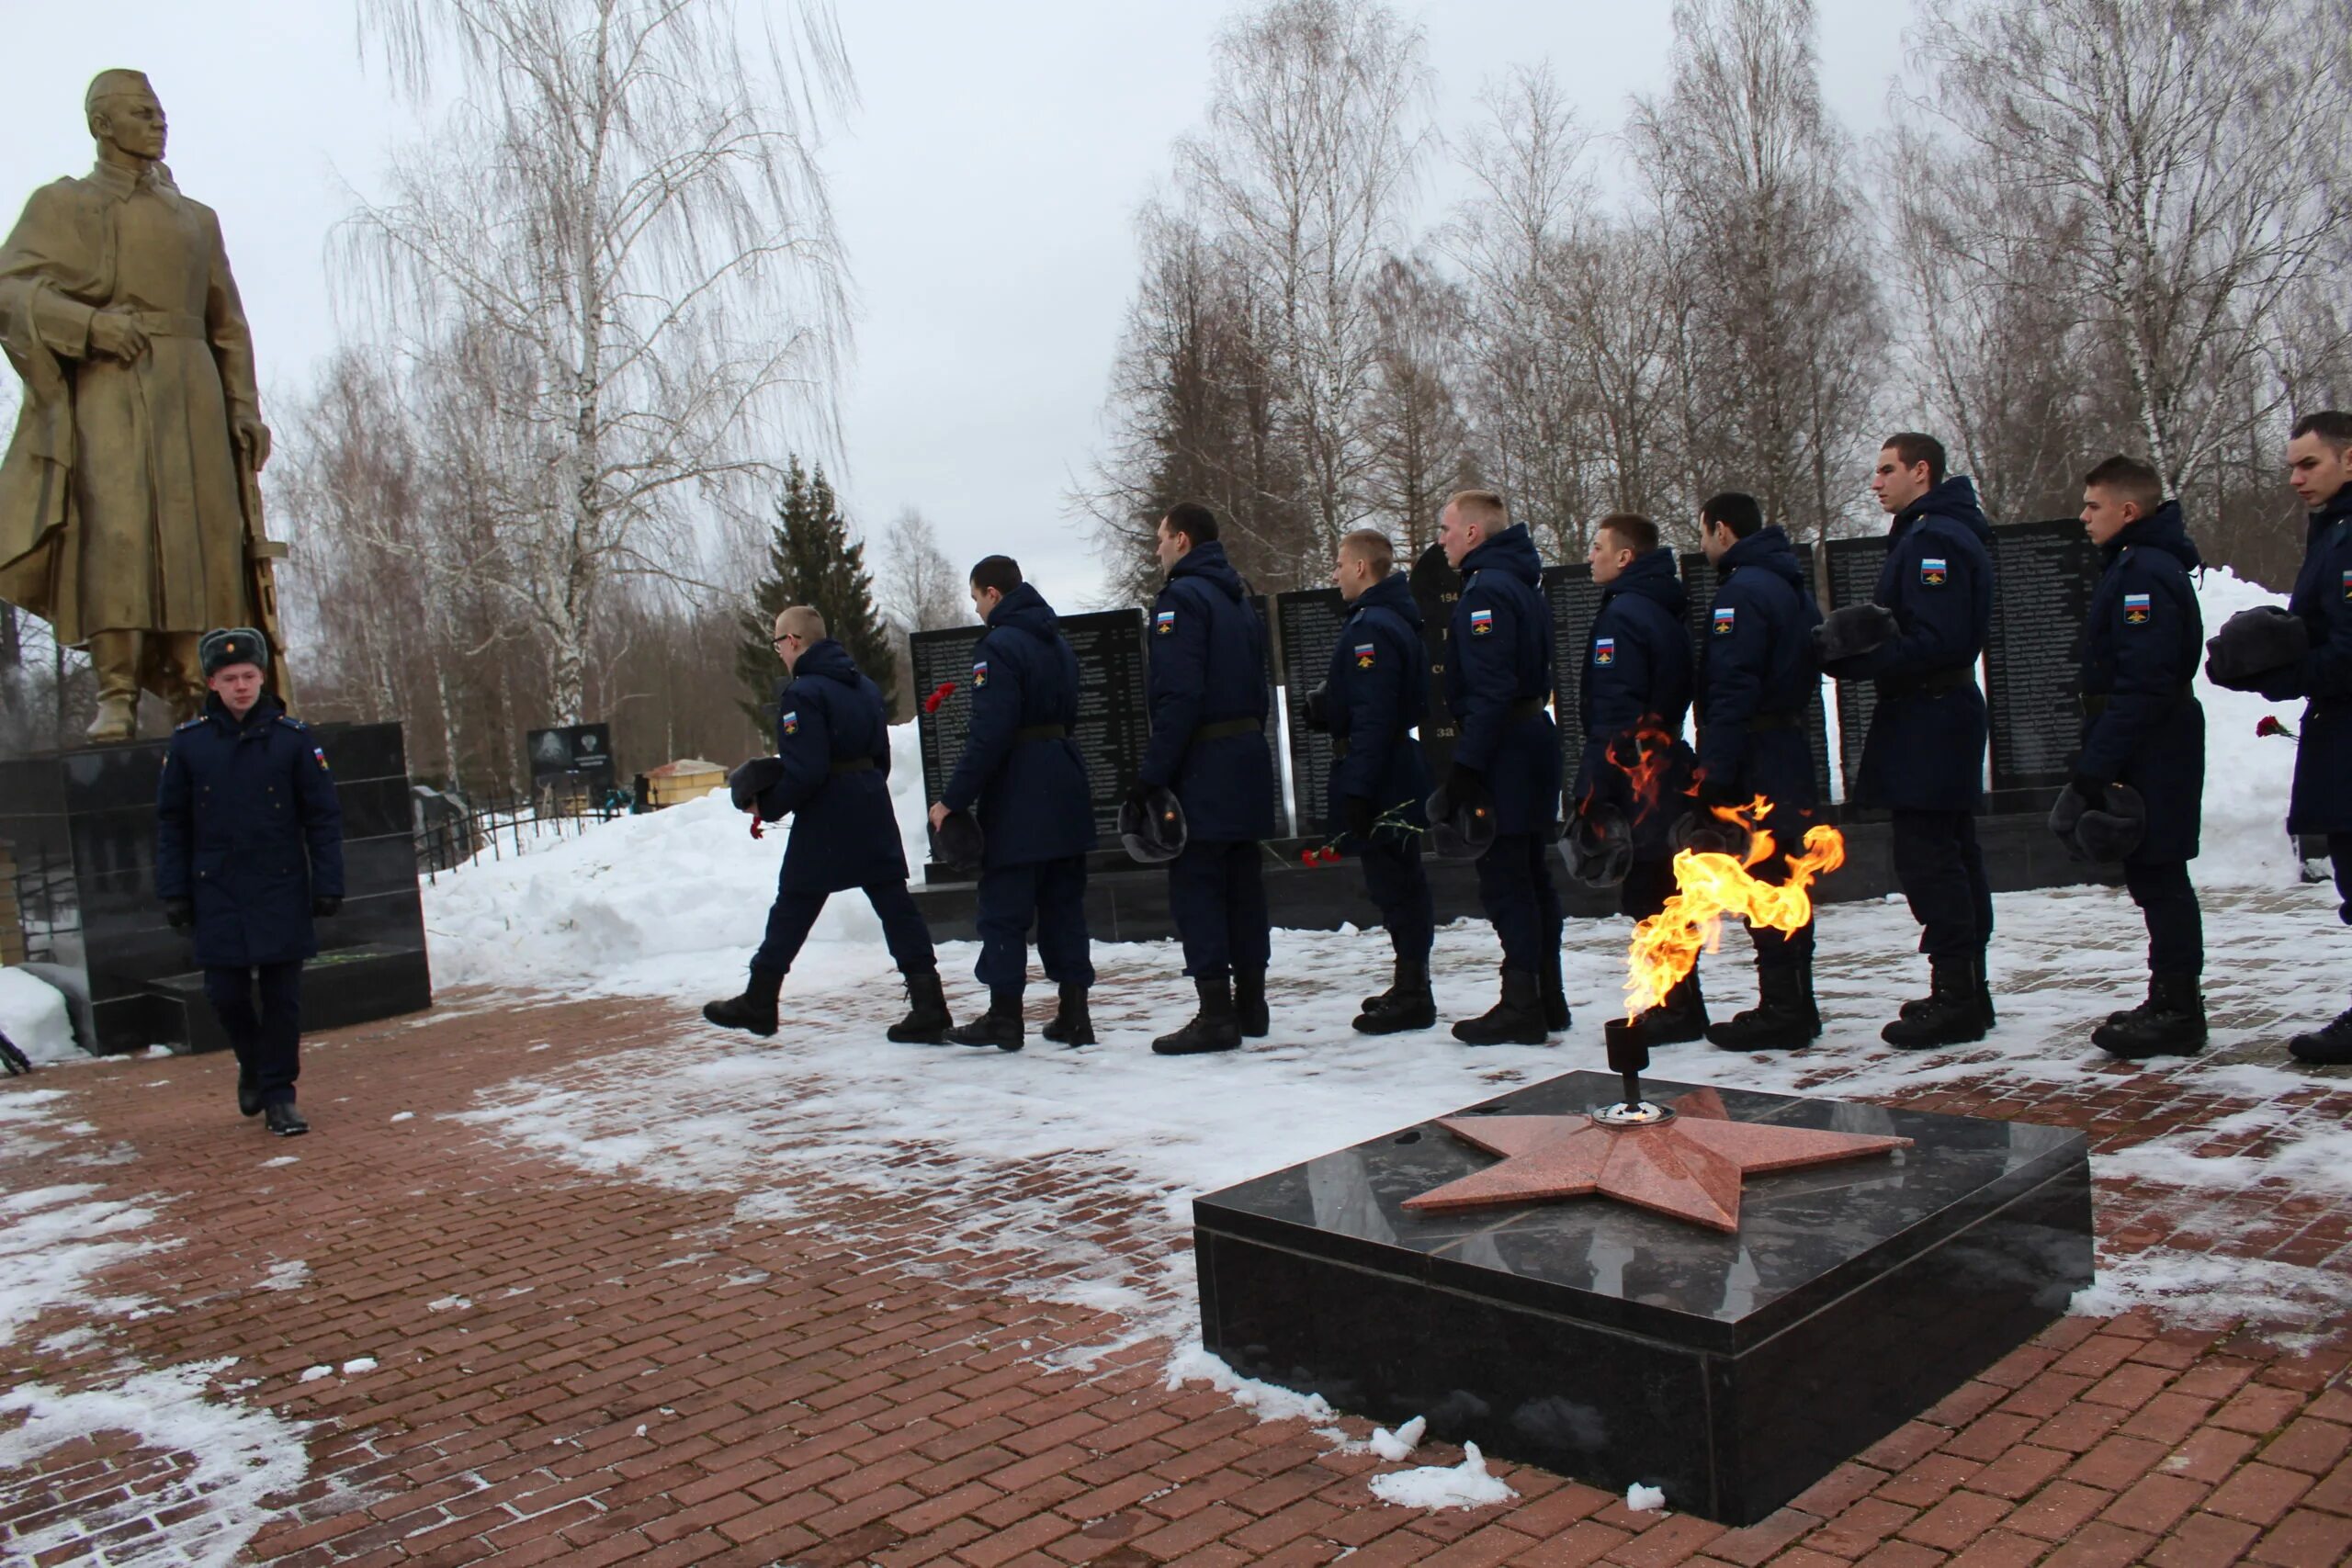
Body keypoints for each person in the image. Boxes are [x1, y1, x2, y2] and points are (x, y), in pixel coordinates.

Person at [1, 71, 276, 740]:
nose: (159, 123)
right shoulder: (62, 205)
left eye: (160, 113)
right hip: (108, 385)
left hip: (192, 390)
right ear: (102, 124)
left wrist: (244, 406)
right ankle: (116, 691)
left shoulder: (196, 219)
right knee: (117, 533)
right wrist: (91, 327)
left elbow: (227, 324)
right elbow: (11, 292)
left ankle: (196, 683)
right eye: (141, 112)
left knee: (202, 540)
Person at [704, 607, 953, 1045]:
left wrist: (768, 807)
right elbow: (882, 759)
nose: (778, 651)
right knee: (896, 906)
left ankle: (761, 999)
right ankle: (929, 1004)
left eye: (778, 642)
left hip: (828, 815)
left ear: (795, 641)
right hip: (871, 806)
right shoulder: (865, 687)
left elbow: (807, 770)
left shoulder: (802, 695)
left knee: (794, 903)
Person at [1823, 434, 1996, 1049]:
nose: (1876, 482)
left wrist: (1864, 655)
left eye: (1886, 469)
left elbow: (1940, 638)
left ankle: (1959, 995)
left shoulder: (1935, 538)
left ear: (1922, 472)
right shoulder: (1930, 530)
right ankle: (1966, 986)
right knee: (1948, 851)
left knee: (1931, 857)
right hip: (1930, 711)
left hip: (1932, 713)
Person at [154, 628, 343, 1135]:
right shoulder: (189, 745)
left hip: (279, 884)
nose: (241, 686)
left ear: (263, 677)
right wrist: (173, 890)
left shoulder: (293, 740)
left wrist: (329, 881)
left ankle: (280, 1096)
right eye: (230, 678)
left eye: (250, 676)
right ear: (213, 682)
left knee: (283, 999)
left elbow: (322, 816)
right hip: (216, 888)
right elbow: (171, 822)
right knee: (225, 993)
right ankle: (253, 1064)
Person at [927, 557, 1096, 1049]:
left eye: (977, 597)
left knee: (1003, 907)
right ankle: (1074, 1014)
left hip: (1021, 792)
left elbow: (991, 732)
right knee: (1064, 904)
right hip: (1064, 783)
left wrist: (952, 801)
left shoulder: (998, 646)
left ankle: (1004, 1016)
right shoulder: (1058, 643)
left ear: (994, 594)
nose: (976, 607)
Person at [2068, 457, 2206, 1058]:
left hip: (2156, 741)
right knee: (2153, 873)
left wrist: (2098, 765)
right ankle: (2170, 996)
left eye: (2093, 505)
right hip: (2148, 736)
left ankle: (2178, 1009)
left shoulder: (2145, 573)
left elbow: (2143, 681)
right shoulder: (2133, 564)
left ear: (2129, 510)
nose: (2083, 516)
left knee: (2161, 872)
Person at [1131, 502, 1277, 1055]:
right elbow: (1258, 688)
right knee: (1244, 886)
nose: (1158, 549)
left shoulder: (1182, 599)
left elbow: (1180, 694)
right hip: (1244, 755)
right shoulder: (1237, 597)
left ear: (1184, 540)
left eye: (1162, 538)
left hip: (1204, 762)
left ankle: (1216, 1012)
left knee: (1198, 886)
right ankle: (1252, 1004)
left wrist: (1152, 776)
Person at [1692, 492, 1826, 1052]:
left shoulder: (1742, 592)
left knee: (1767, 878)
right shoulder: (1789, 582)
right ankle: (1798, 1000)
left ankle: (1782, 1009)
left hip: (1756, 753)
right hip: (1788, 746)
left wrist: (1715, 774)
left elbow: (1732, 687)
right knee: (1792, 877)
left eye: (1702, 533)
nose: (1702, 545)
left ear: (1723, 531)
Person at [1435, 490, 1565, 1044]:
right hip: (1530, 738)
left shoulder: (1487, 590)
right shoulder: (1519, 581)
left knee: (1509, 879)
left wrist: (1466, 767)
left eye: (1444, 529)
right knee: (1533, 876)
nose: (1439, 540)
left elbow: (1491, 689)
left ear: (1472, 533)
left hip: (1507, 747)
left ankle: (1521, 1005)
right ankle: (1546, 995)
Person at [1574, 513, 1702, 1042]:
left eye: (1599, 546)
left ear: (1625, 557)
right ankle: (1677, 1002)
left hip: (1638, 775)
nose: (1591, 556)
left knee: (1651, 892)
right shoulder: (1657, 608)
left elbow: (1616, 710)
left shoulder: (1624, 615)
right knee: (1663, 887)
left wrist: (1595, 787)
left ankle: (1676, 1009)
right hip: (1664, 765)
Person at [2260, 412, 2352, 1064]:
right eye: (2292, 465)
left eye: (2309, 463)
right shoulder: (2333, 531)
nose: (2295, 478)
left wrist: (2287, 671)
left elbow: (2349, 650)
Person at [1319, 529, 1435, 1033]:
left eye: (1340, 564)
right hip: (1388, 765)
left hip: (1382, 772)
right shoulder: (1387, 619)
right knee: (1396, 882)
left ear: (1362, 568)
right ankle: (1409, 982)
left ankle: (1414, 993)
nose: (1335, 573)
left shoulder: (1372, 627)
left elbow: (1373, 712)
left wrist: (1359, 789)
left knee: (1396, 883)